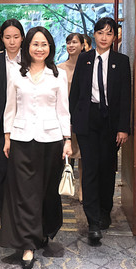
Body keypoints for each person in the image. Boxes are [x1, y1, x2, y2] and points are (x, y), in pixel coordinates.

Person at [0, 26, 72, 269]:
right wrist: (7, 137)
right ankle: (27, 244)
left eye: (44, 44)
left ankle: (43, 232)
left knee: (46, 191)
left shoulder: (57, 75)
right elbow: (10, 108)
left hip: (51, 141)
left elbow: (63, 110)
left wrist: (67, 139)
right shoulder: (18, 75)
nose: (39, 49)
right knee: (25, 193)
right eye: (35, 44)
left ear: (50, 47)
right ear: (27, 47)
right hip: (21, 139)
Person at [69, 17, 131, 244]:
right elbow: (75, 93)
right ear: (93, 35)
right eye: (100, 33)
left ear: (115, 37)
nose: (104, 38)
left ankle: (105, 211)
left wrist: (124, 128)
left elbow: (126, 96)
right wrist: (72, 121)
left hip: (111, 122)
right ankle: (92, 220)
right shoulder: (85, 59)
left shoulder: (121, 61)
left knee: (107, 169)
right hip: (88, 119)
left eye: (109, 34)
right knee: (91, 169)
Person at [0, 19, 25, 207]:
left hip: (27, 125)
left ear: (22, 38)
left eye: (16, 37)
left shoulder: (31, 60)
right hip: (2, 125)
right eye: (8, 37)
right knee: (3, 171)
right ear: (2, 39)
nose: (12, 42)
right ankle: (5, 216)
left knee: (24, 173)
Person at [56, 33, 85, 201]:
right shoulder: (59, 69)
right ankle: (63, 186)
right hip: (63, 115)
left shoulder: (87, 67)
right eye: (68, 42)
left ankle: (82, 189)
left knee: (82, 155)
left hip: (80, 116)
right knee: (63, 154)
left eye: (75, 42)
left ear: (82, 45)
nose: (71, 45)